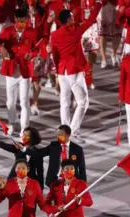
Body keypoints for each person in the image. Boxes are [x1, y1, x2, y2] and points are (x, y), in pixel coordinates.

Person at [50, 2, 104, 143]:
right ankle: (72, 132)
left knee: (65, 103)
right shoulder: (75, 31)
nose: (74, 18)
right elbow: (91, 20)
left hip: (62, 71)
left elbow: (55, 55)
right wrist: (98, 4)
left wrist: (57, 70)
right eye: (72, 17)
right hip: (74, 71)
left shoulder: (55, 34)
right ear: (67, 20)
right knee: (83, 102)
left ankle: (64, 130)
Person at [0, 8, 38, 137]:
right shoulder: (7, 31)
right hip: (11, 69)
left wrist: (32, 54)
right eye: (18, 21)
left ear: (27, 20)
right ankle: (12, 123)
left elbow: (37, 49)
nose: (20, 24)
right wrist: (1, 47)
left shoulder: (32, 32)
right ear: (15, 19)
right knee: (10, 101)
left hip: (25, 70)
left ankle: (24, 127)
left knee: (24, 101)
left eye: (23, 21)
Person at [16, 125, 86, 188]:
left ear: (68, 135)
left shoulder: (77, 149)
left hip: (71, 181)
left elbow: (82, 168)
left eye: (61, 134)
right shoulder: (53, 146)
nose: (59, 137)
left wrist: (83, 185)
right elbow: (39, 153)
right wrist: (23, 149)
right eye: (58, 135)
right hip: (55, 181)